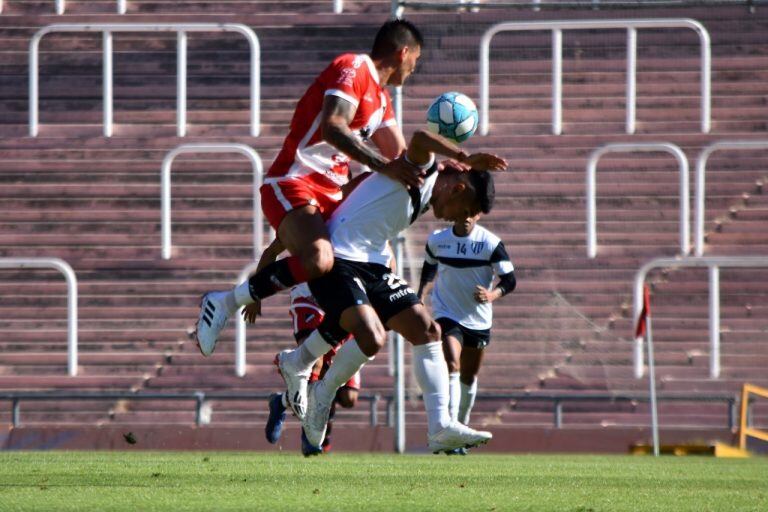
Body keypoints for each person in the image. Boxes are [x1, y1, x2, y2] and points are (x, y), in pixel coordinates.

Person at [195, 19, 426, 356]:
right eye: (415, 61)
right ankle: (224, 302)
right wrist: (382, 166)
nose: (414, 69)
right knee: (319, 258)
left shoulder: (382, 100)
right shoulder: (354, 66)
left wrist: (445, 168)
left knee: (362, 288)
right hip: (294, 181)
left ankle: (303, 369)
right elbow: (333, 127)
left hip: (332, 199)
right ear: (403, 52)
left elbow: (402, 159)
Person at [275, 128, 507, 453]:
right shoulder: (422, 172)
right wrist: (464, 157)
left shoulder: (430, 197)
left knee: (427, 329)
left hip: (371, 264)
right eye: (466, 211)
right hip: (339, 256)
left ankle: (440, 427)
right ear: (458, 189)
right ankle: (321, 395)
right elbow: (421, 137)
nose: (462, 221)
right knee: (371, 335)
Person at [417, 214, 516, 454]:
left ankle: (461, 421)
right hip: (447, 313)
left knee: (469, 377)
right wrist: (420, 296)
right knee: (452, 363)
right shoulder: (438, 240)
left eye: (473, 211)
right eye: (463, 210)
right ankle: (449, 427)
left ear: (479, 213)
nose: (467, 216)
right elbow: (429, 269)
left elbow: (510, 280)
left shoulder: (490, 243)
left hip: (478, 319)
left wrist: (491, 295)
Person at [258, 282, 361, 457]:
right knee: (315, 363)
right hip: (310, 296)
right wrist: (255, 293)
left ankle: (281, 402)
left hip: (348, 301)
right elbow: (272, 253)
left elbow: (387, 264)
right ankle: (311, 436)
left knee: (348, 396)